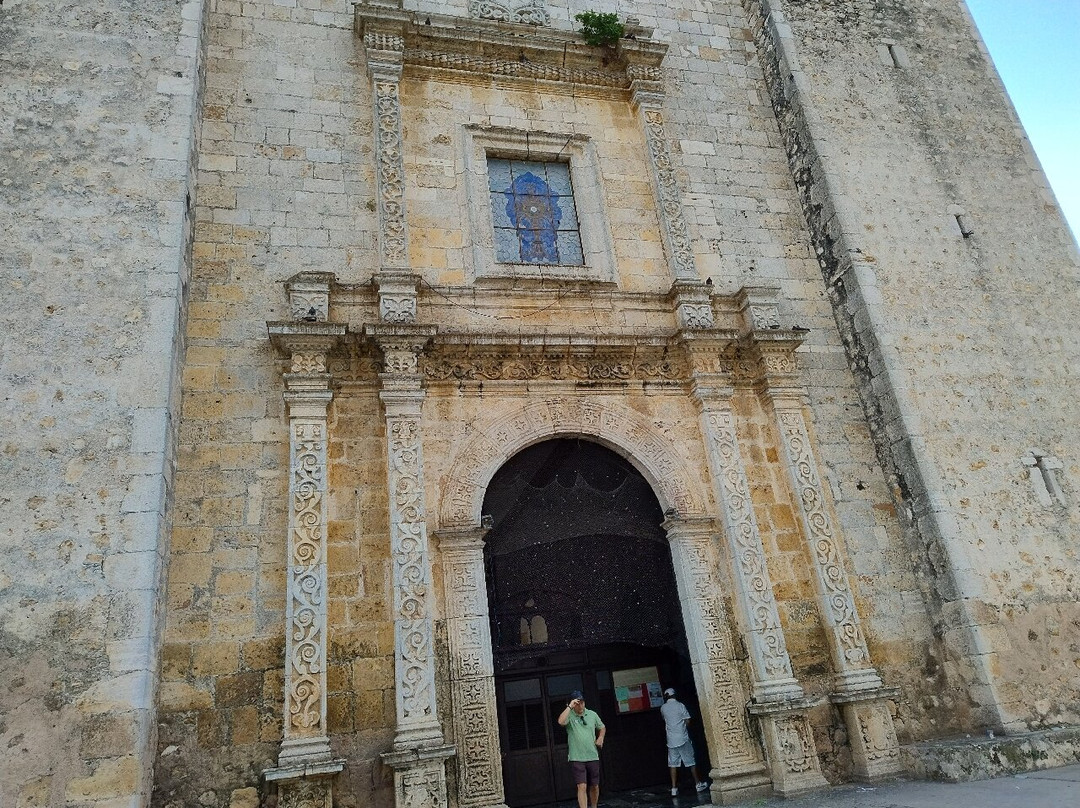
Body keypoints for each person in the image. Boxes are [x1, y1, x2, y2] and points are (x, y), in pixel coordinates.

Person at [558, 690, 606, 808]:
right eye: (577, 703)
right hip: (577, 757)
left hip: (592, 755)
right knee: (581, 786)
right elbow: (561, 721)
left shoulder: (592, 714)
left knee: (594, 785)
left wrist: (600, 737)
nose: (580, 706)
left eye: (582, 702)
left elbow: (602, 727)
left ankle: (594, 806)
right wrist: (570, 706)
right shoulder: (569, 715)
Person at [660, 688, 708, 796]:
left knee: (672, 764)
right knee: (691, 761)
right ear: (674, 695)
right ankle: (698, 784)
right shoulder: (680, 705)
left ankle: (674, 788)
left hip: (671, 740)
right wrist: (685, 727)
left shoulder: (663, 708)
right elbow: (688, 720)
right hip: (683, 738)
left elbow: (665, 719)